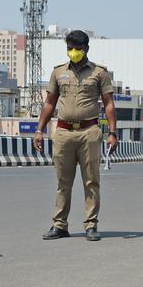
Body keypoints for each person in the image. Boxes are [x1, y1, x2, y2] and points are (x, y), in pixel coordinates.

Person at [33, 30, 118, 241]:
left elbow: (108, 103)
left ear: (86, 49)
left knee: (91, 181)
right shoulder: (58, 72)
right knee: (63, 182)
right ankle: (59, 225)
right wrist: (39, 130)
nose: (73, 52)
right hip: (63, 132)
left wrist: (112, 132)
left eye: (77, 49)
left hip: (89, 131)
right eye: (70, 48)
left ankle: (91, 225)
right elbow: (49, 103)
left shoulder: (99, 73)